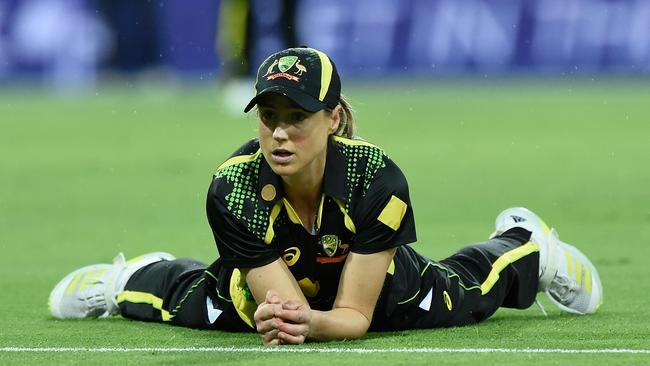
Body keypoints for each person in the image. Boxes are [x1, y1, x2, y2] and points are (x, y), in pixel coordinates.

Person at [48, 47, 603, 345]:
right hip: (273, 289)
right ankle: (122, 280)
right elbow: (286, 310)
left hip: (374, 289)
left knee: (464, 295)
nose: (280, 134)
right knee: (194, 302)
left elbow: (353, 319)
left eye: (298, 117)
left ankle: (528, 245)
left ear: (334, 118)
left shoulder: (377, 179)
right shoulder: (232, 186)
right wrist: (292, 321)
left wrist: (310, 325)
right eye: (269, 117)